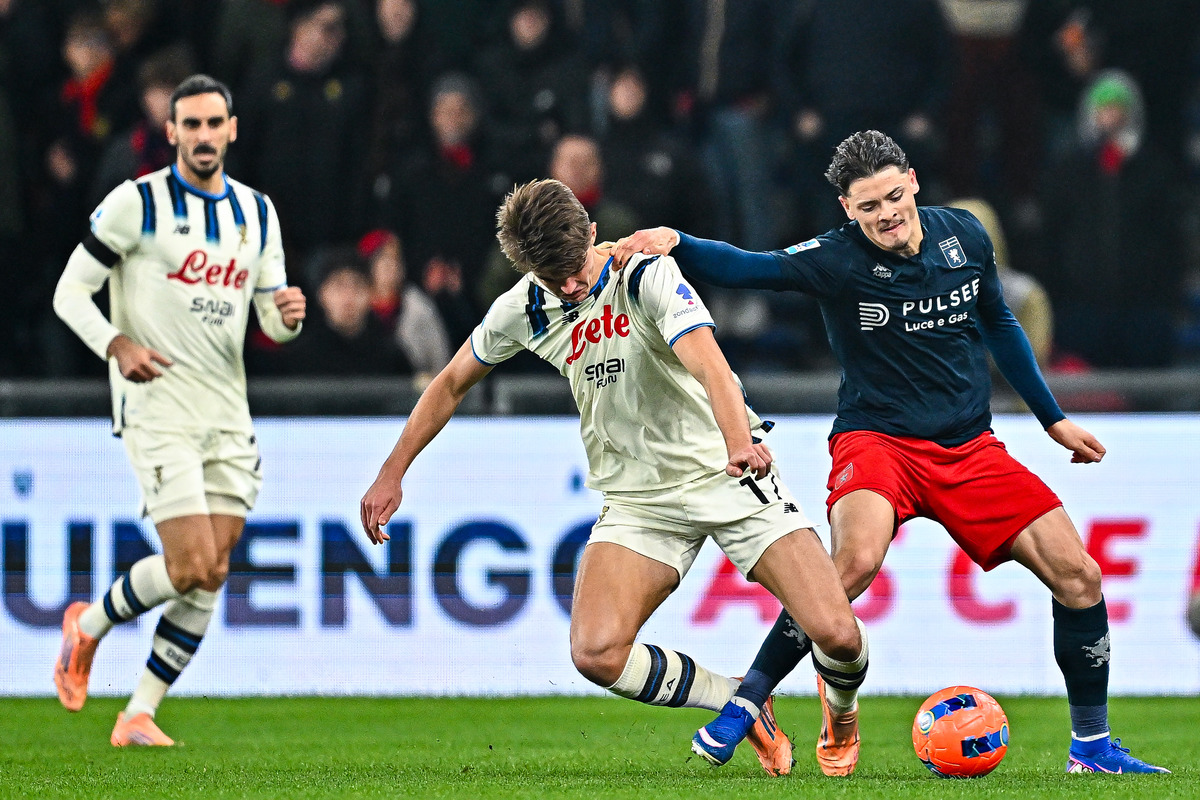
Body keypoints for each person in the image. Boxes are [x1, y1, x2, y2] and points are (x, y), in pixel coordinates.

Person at [611, 129, 1170, 776]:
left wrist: (1054, 419)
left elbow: (999, 321)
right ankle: (746, 702)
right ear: (847, 210)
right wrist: (678, 243)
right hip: (878, 442)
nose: (886, 215)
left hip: (969, 447)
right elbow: (750, 267)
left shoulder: (965, 235)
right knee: (849, 566)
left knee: (1080, 577)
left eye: (894, 197)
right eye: (869, 206)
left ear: (913, 183)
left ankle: (1092, 749)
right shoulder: (836, 258)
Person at [360, 178, 869, 777]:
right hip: (637, 499)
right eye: (553, 278)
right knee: (596, 652)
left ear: (594, 234)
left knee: (837, 634)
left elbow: (711, 363)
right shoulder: (523, 307)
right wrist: (392, 472)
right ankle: (737, 698)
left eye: (575, 269)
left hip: (725, 472)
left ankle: (841, 717)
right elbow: (448, 384)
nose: (569, 287)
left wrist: (739, 441)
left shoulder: (644, 273)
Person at [51, 74, 306, 746]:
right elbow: (69, 293)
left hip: (228, 411)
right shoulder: (135, 203)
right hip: (157, 406)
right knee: (191, 563)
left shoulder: (257, 212)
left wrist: (287, 319)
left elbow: (270, 319)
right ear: (170, 133)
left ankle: (139, 711)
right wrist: (117, 344)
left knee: (213, 568)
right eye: (190, 124)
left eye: (213, 123)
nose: (203, 135)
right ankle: (87, 626)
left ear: (232, 129)